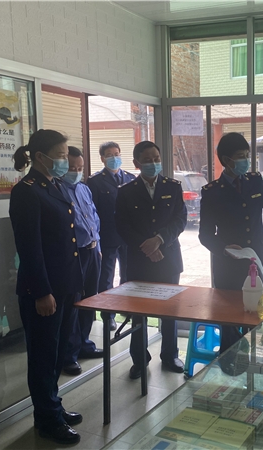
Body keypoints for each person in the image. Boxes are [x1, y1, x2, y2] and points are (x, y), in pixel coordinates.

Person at [9, 130, 84, 445]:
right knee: (42, 357)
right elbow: (30, 248)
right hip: (44, 290)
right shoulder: (26, 191)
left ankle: (52, 406)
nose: (65, 160)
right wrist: (41, 292)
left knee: (56, 354)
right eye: (61, 154)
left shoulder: (54, 185)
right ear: (40, 157)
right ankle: (48, 420)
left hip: (64, 285)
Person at [198, 132, 263, 358]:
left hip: (258, 262)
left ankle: (255, 363)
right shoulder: (212, 192)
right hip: (228, 267)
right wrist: (224, 249)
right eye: (241, 156)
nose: (246, 160)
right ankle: (229, 365)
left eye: (247, 155)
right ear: (226, 160)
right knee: (230, 321)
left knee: (257, 319)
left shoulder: (255, 181)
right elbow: (205, 235)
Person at [115, 141, 187, 378]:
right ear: (136, 163)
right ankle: (139, 359)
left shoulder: (173, 187)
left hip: (168, 257)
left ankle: (170, 354)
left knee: (170, 310)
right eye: (147, 160)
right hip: (139, 260)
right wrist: (146, 246)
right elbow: (122, 226)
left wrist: (159, 240)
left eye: (156, 158)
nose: (153, 163)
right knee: (138, 313)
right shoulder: (126, 191)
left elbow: (180, 219)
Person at [60, 146, 103, 376]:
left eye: (80, 168)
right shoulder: (57, 191)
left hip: (92, 252)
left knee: (90, 300)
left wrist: (98, 247)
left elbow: (94, 218)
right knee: (73, 305)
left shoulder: (84, 189)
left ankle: (85, 343)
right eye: (72, 168)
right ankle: (69, 354)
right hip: (74, 255)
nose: (76, 172)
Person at [87, 141, 136, 331]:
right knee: (106, 278)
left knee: (128, 276)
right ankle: (108, 316)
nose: (114, 158)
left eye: (117, 153)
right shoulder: (95, 181)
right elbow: (92, 213)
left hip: (128, 237)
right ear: (102, 158)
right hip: (107, 237)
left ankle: (127, 309)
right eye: (109, 155)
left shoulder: (130, 178)